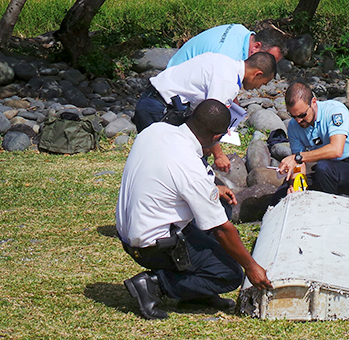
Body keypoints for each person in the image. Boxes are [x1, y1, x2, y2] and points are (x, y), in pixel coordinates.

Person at [117, 99, 273, 320]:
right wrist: (251, 266)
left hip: (129, 230)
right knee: (228, 274)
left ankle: (197, 292)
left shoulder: (156, 130)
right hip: (152, 246)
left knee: (221, 207)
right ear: (216, 137)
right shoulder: (189, 166)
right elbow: (222, 230)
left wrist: (214, 190)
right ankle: (154, 284)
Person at [132, 51, 277, 171]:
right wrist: (218, 154)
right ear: (257, 74)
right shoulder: (228, 81)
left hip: (151, 99)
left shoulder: (223, 60)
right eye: (262, 83)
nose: (258, 88)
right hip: (160, 109)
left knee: (154, 159)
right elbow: (211, 119)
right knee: (162, 163)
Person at [272, 81, 349, 204]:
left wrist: (298, 157)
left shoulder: (334, 110)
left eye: (302, 115)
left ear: (313, 102)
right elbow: (299, 165)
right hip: (328, 172)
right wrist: (296, 186)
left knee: (323, 168)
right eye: (293, 116)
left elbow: (336, 150)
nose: (298, 120)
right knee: (283, 193)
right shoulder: (294, 126)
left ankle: (330, 209)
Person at [166, 24, 286, 68]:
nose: (270, 67)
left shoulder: (240, 30)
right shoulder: (229, 58)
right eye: (270, 60)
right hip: (173, 91)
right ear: (256, 47)